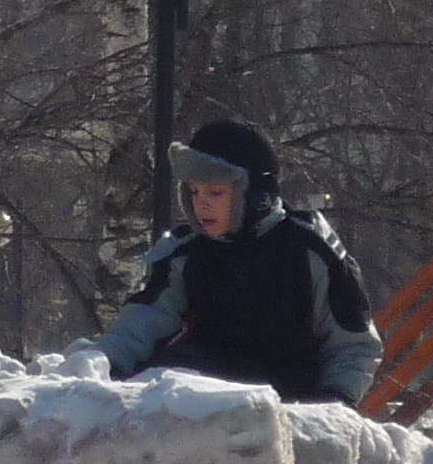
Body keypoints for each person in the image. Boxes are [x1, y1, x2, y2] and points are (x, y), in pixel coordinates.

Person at [91, 119, 379, 405]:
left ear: (255, 194)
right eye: (194, 191)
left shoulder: (309, 250)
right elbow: (143, 321)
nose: (201, 204)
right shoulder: (186, 252)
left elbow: (353, 346)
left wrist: (332, 404)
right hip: (201, 404)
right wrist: (102, 364)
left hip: (289, 410)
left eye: (215, 193)